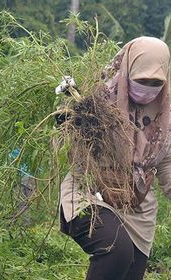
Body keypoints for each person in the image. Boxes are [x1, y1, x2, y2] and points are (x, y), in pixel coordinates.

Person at [59, 36, 171, 280]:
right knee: (116, 250)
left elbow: (167, 165)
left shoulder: (166, 116)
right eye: (142, 81)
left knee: (131, 269)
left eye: (156, 82)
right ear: (127, 69)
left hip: (136, 206)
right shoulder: (99, 101)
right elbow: (70, 150)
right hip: (88, 193)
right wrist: (68, 114)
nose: (148, 89)